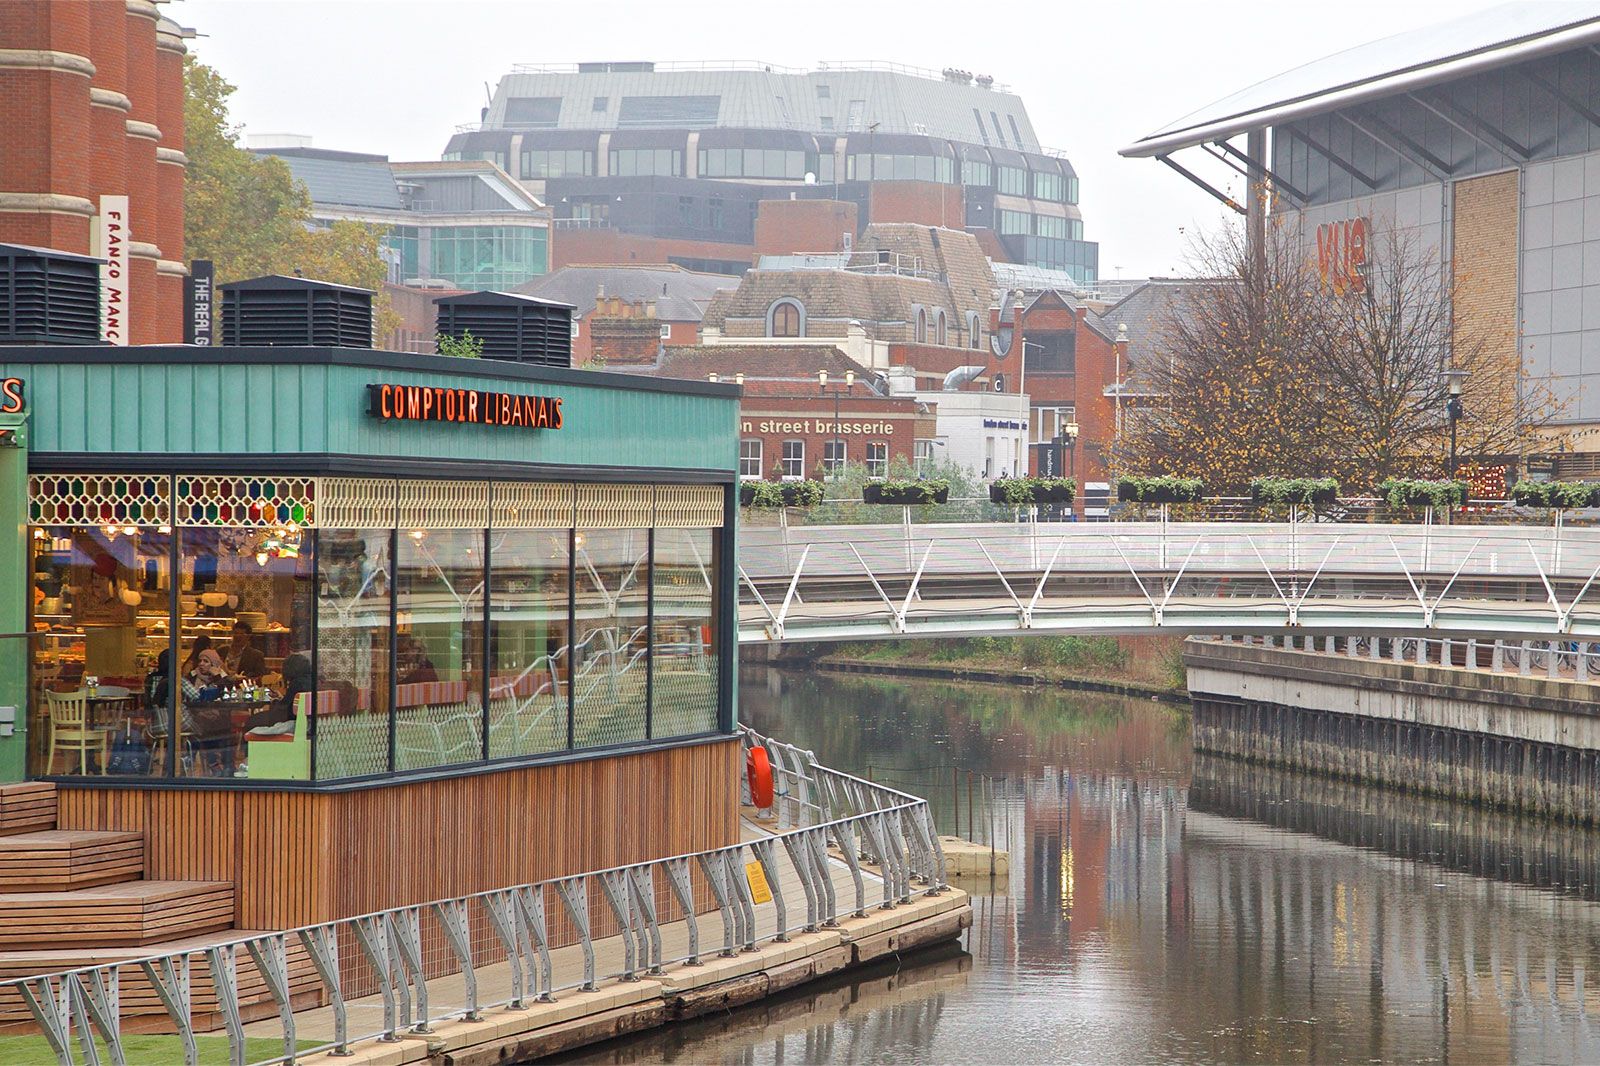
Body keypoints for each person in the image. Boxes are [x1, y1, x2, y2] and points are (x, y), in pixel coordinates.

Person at [244, 653, 310, 734]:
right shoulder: (311, 681)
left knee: (251, 721)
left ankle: (246, 745)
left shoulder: (297, 683)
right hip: (306, 722)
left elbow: (284, 710)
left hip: (293, 721)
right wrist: (281, 698)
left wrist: (274, 702)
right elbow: (291, 703)